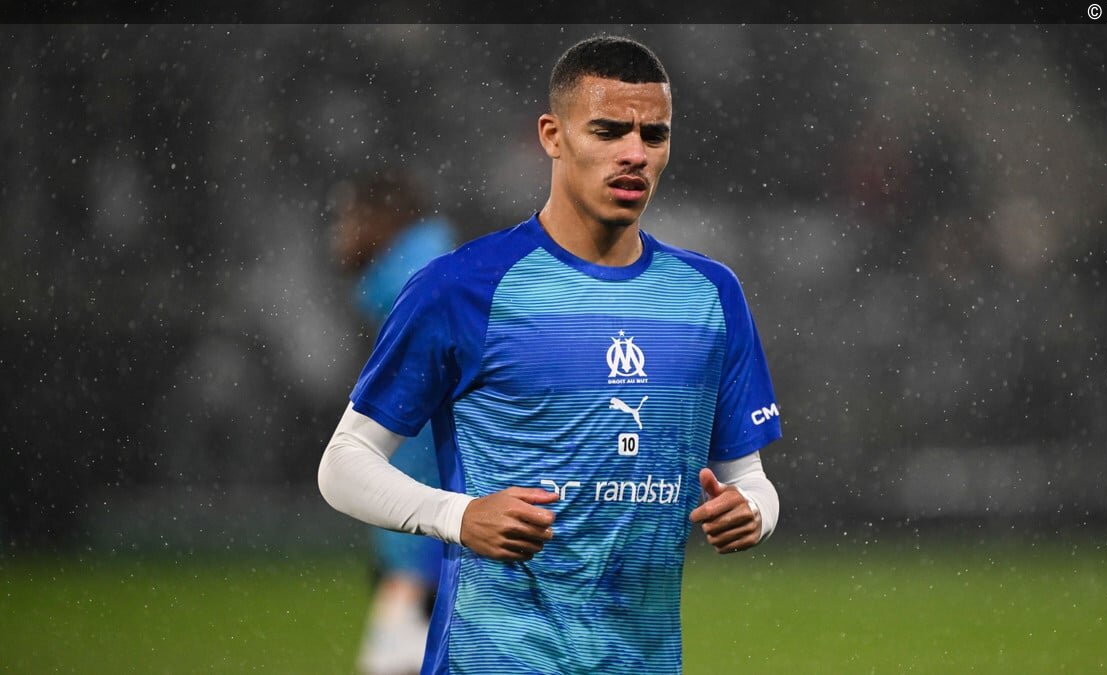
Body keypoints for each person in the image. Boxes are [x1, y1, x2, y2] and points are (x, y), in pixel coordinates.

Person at [318, 36, 782, 674]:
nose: (634, 153)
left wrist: (754, 510)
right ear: (552, 135)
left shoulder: (710, 296)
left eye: (654, 135)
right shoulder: (462, 288)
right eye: (608, 131)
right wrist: (458, 516)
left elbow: (750, 478)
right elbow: (343, 464)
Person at [329, 168, 456, 675]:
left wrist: (429, 565)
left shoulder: (422, 292)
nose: (339, 232)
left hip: (434, 564)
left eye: (348, 216)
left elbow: (455, 430)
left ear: (386, 218)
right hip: (423, 557)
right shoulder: (417, 286)